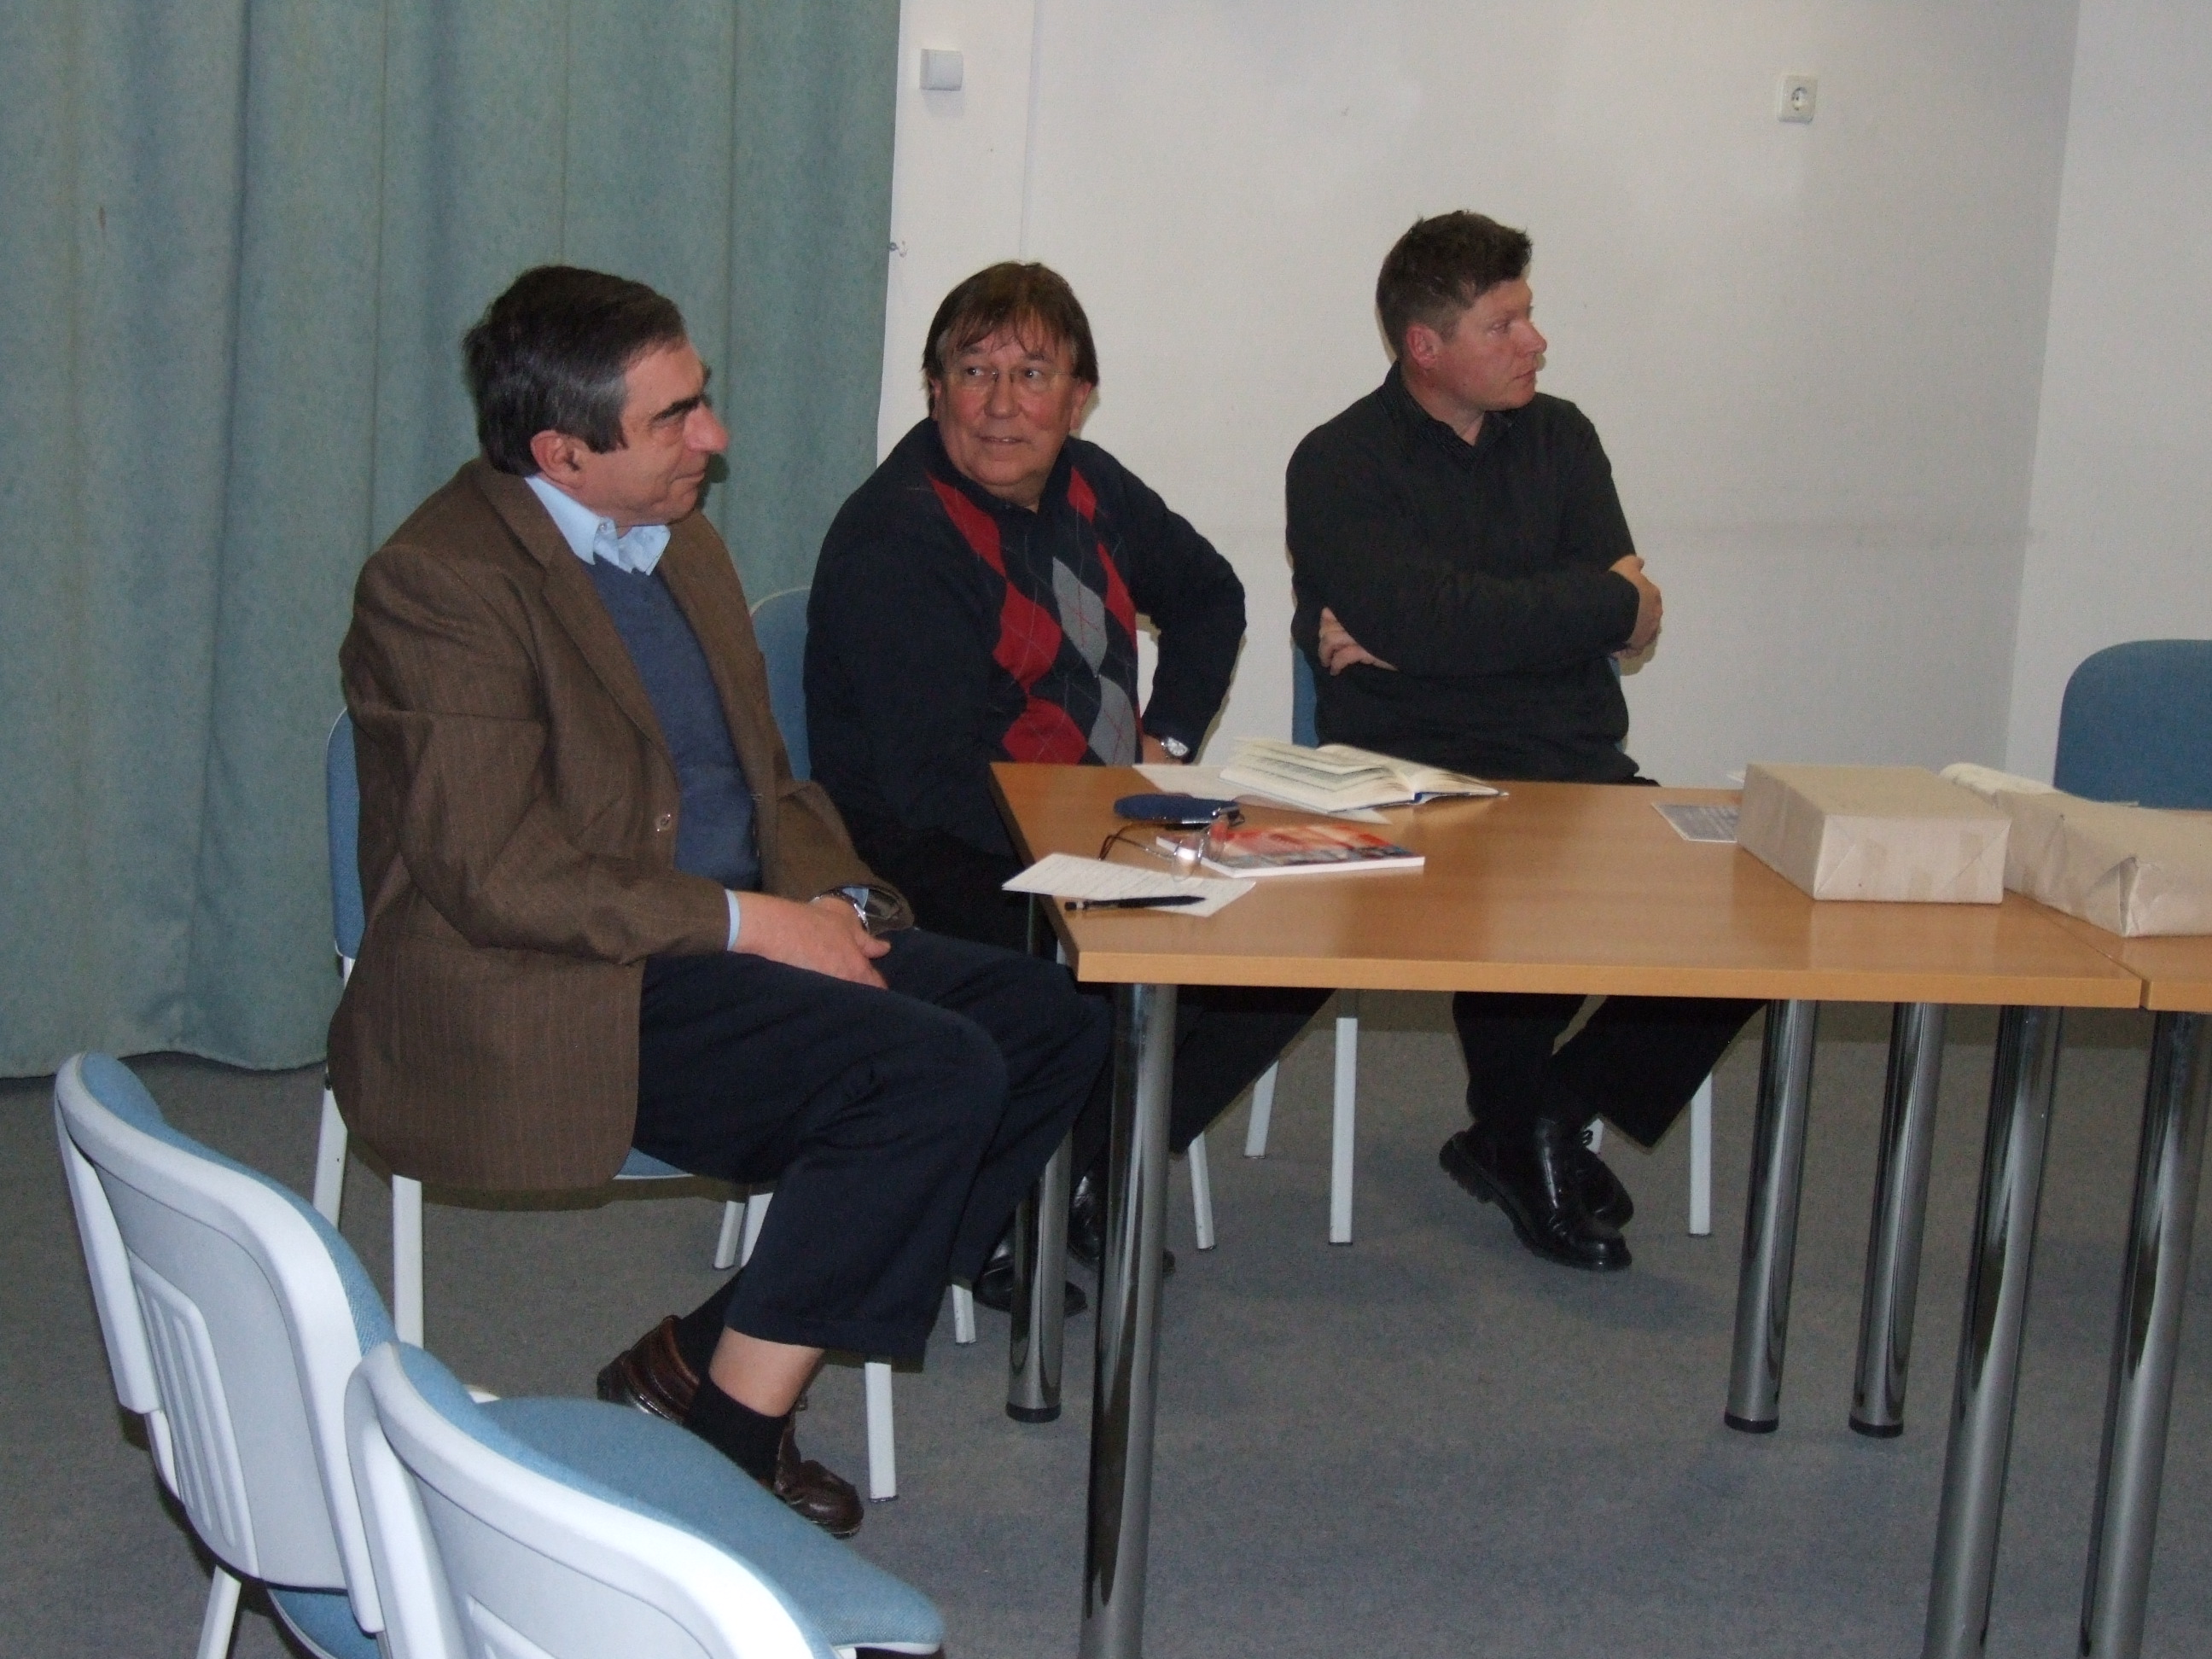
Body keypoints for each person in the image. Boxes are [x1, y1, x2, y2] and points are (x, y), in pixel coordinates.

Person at [329, 265, 1108, 1535]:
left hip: (724, 938)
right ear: (562, 454)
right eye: (676, 418)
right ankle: (732, 1445)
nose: (715, 437)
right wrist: (758, 925)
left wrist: (844, 904)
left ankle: (705, 1355)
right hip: (563, 982)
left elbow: (766, 788)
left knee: (1046, 1020)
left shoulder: (678, 539)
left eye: (704, 399)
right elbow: (497, 874)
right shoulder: (442, 584)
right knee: (927, 1076)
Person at [806, 262, 1326, 1307]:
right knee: (1097, 975)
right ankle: (999, 1200)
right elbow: (929, 783)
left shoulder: (1092, 486)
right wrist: (1106, 851)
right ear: (935, 390)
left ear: (1078, 398)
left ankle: (1091, 1165)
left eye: (1033, 375)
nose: (1002, 405)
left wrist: (1164, 746)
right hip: (932, 851)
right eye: (974, 372)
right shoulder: (897, 536)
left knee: (1293, 941)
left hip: (1092, 824)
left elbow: (1210, 595)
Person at [1285, 212, 1757, 1272]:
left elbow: (1629, 621)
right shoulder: (1338, 463)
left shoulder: (1564, 437)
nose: (1535, 343)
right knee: (1517, 884)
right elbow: (1471, 619)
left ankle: (1546, 1111)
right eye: (1504, 325)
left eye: (1528, 316)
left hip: (1576, 769)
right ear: (1426, 347)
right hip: (1411, 780)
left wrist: (1462, 628)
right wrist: (1577, 608)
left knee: (1753, 906)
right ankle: (1523, 1135)